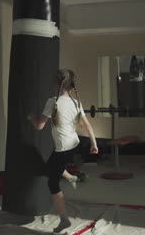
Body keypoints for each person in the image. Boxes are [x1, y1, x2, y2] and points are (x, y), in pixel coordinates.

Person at [28, 69, 98, 233]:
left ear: (57, 84)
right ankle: (71, 177)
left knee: (52, 183)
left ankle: (64, 220)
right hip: (73, 144)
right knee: (51, 167)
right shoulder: (76, 102)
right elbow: (87, 125)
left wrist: (30, 117)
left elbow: (39, 126)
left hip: (63, 148)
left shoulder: (53, 101)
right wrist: (94, 144)